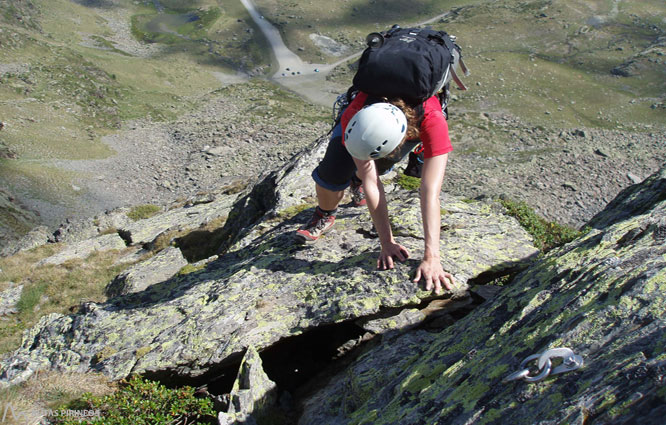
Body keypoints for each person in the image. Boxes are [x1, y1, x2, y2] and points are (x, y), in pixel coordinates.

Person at [295, 91, 455, 294]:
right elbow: (370, 179)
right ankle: (325, 214)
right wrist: (386, 242)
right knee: (332, 174)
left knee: (381, 165)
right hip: (363, 119)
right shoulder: (354, 115)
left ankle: (357, 180)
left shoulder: (433, 121)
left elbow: (430, 192)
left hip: (414, 125)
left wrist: (432, 256)